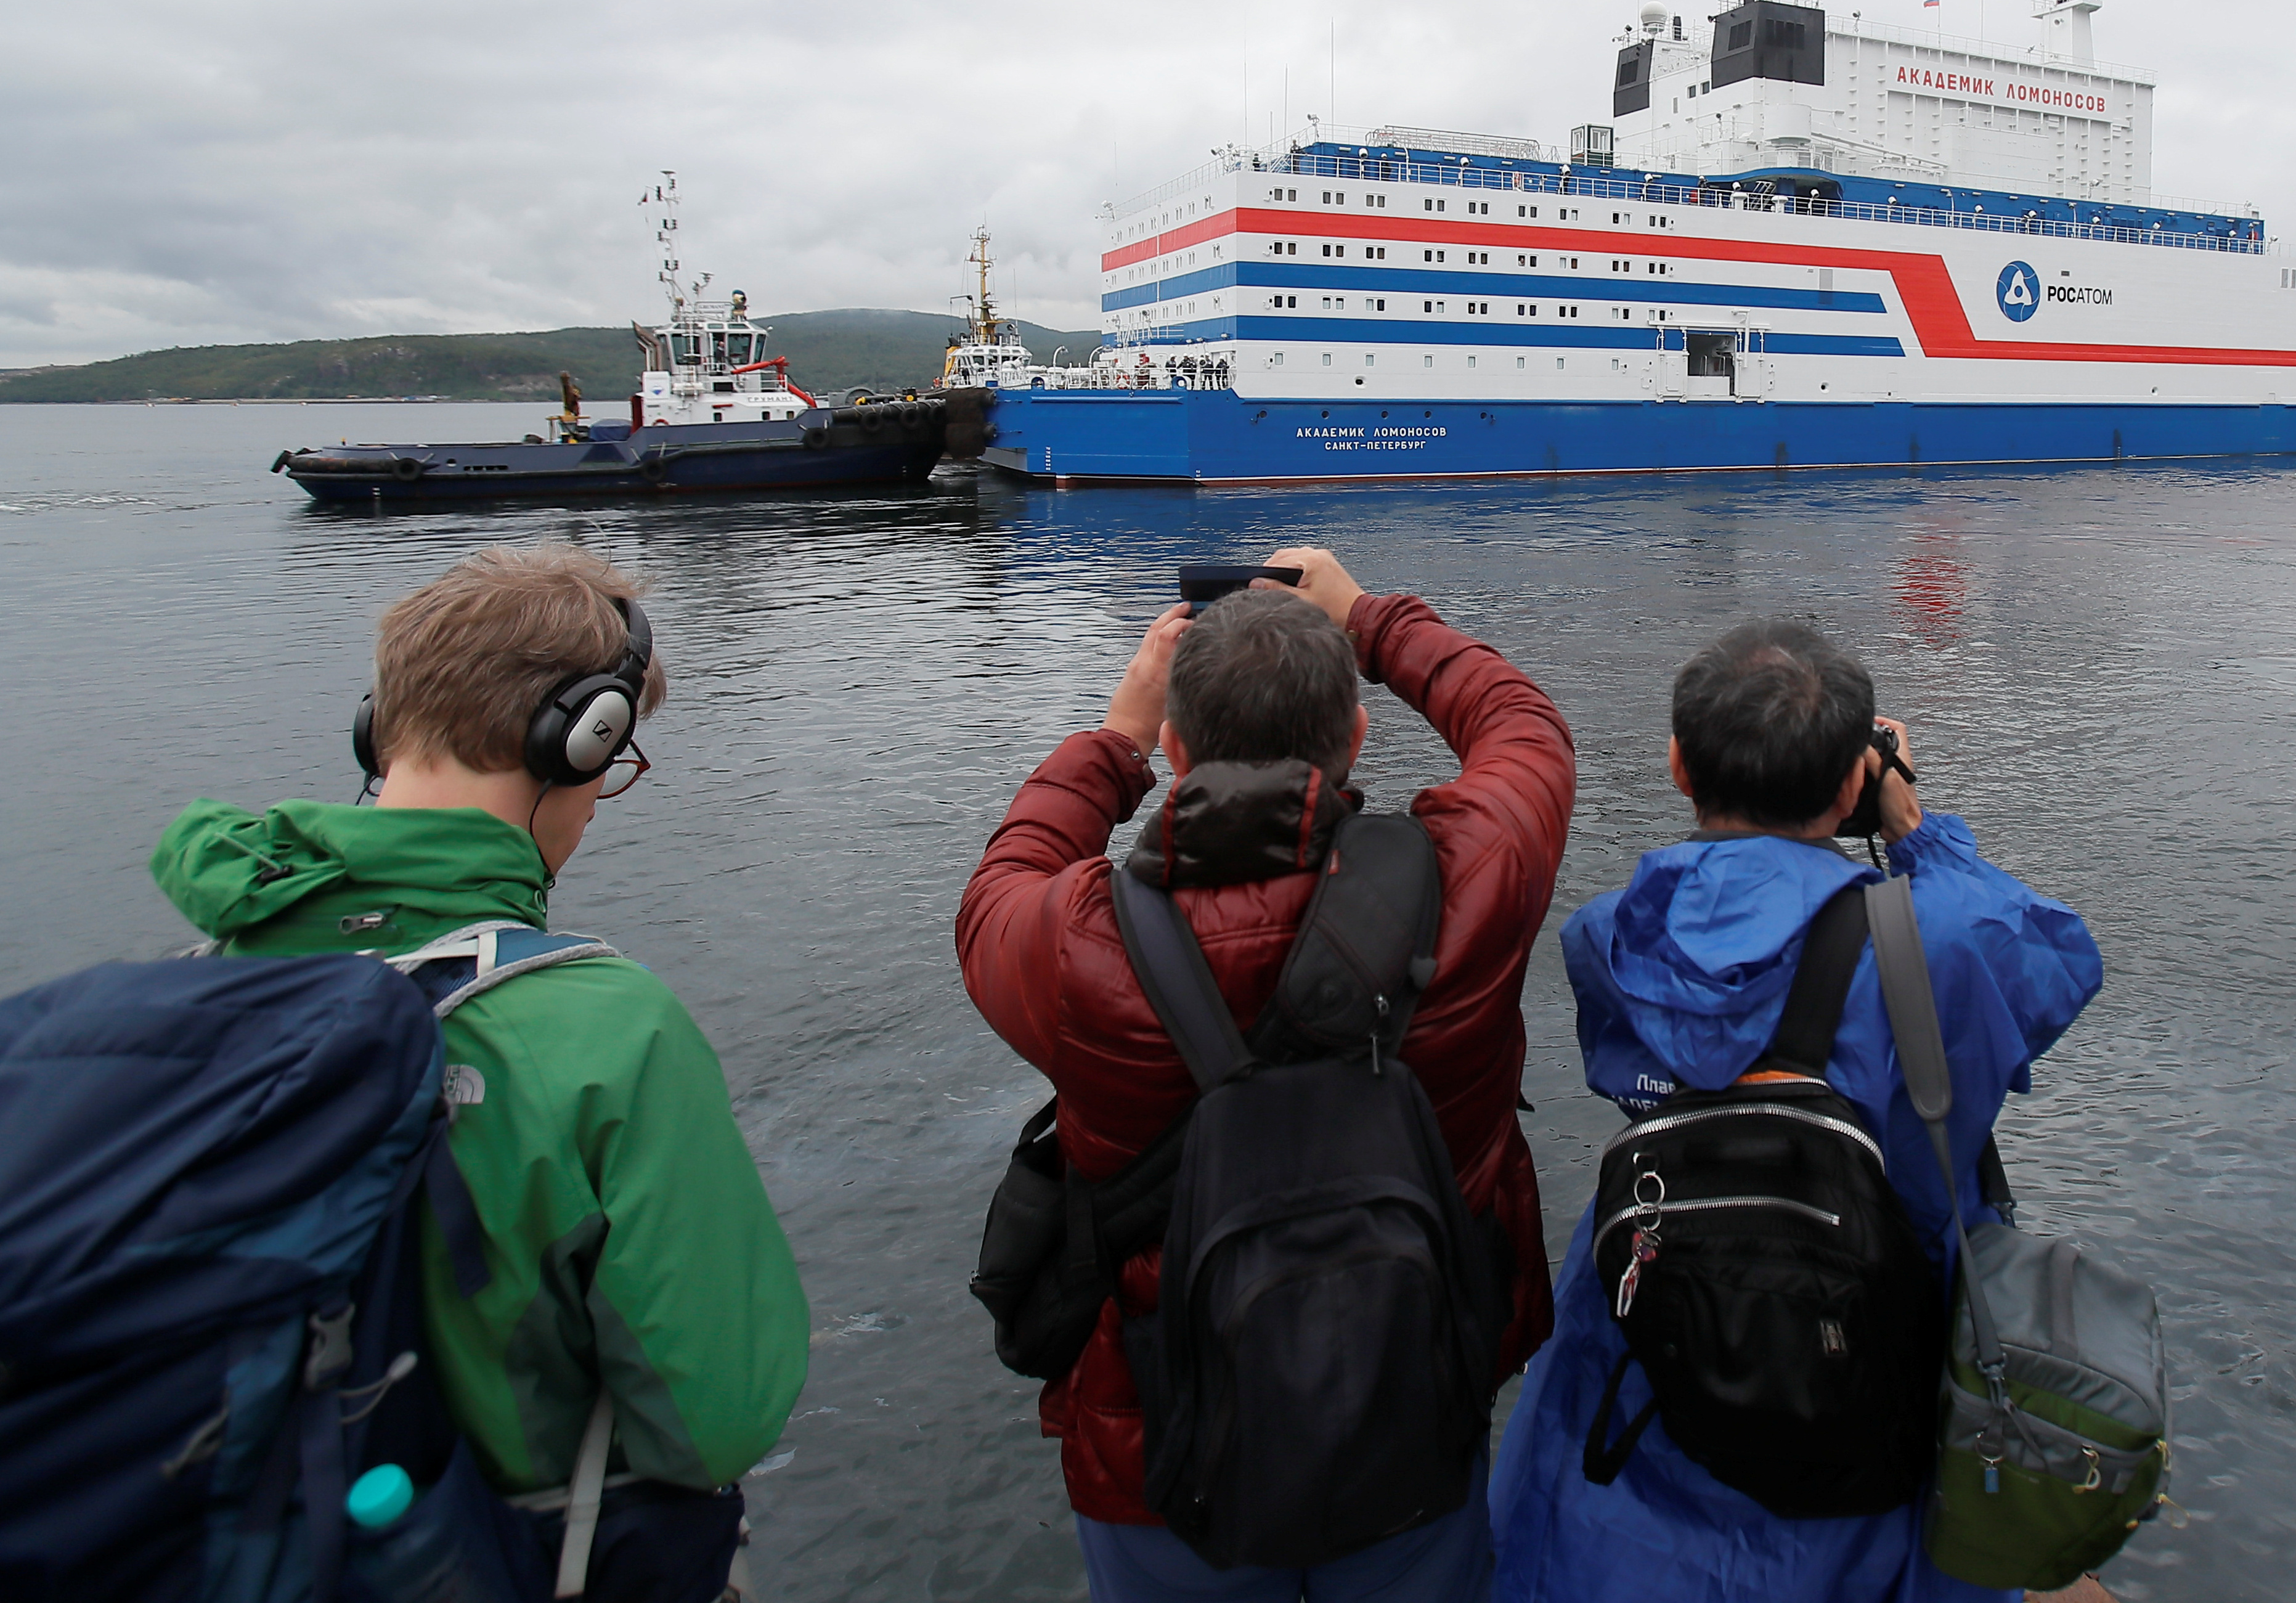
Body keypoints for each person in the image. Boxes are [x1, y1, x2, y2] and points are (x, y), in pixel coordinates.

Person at [149, 545, 808, 1581]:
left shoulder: (168, 1002)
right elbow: (715, 1420)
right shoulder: (607, 1031)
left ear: (379, 727)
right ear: (581, 740)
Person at [959, 546, 1576, 1602]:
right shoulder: (1469, 887)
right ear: (1356, 736)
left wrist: (1114, 739)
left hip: (1161, 1440)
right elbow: (1522, 728)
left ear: (1176, 748)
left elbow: (998, 886)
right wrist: (1370, 617)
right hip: (1408, 1403)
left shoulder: (1077, 949)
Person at [1488, 619, 2103, 1603]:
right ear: (1852, 783)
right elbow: (2058, 963)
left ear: (1678, 765)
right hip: (1876, 1360)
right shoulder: (1940, 943)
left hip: (1663, 1348)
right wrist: (1914, 829)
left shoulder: (1610, 937)